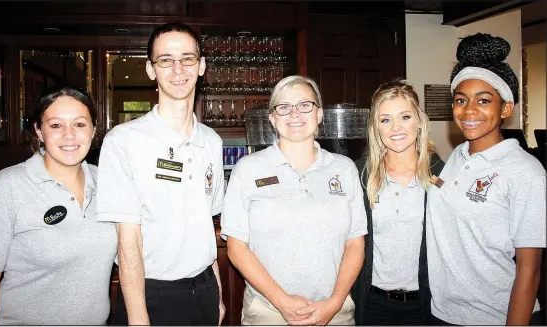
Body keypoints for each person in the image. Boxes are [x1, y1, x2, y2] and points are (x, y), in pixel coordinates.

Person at [95, 22, 225, 326]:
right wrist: (139, 318)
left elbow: (206, 225)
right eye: (166, 60)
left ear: (201, 66)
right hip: (152, 293)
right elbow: (128, 241)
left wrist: (217, 293)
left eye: (188, 59)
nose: (178, 69)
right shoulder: (123, 141)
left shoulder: (212, 141)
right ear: (151, 69)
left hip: (204, 287)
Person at [221, 75, 367, 325]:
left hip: (335, 313)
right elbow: (236, 248)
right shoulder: (247, 169)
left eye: (304, 105)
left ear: (319, 114)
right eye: (284, 107)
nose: (295, 114)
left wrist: (334, 303)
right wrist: (282, 302)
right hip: (268, 313)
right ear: (272, 119)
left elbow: (355, 245)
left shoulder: (344, 169)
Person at [427, 33, 546, 325]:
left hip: (495, 316)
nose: (469, 110)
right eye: (460, 100)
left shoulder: (525, 172)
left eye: (483, 100)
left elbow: (529, 271)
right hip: (442, 313)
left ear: (505, 108)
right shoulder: (456, 156)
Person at [0, 86, 117, 325]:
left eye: (79, 124)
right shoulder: (8, 187)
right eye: (55, 125)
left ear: (94, 130)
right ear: (39, 131)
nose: (69, 135)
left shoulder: (109, 184)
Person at [352, 80, 444, 325]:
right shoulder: (360, 175)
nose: (396, 128)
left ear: (419, 121)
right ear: (376, 127)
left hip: (428, 305)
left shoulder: (441, 176)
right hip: (374, 305)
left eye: (404, 116)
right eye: (385, 120)